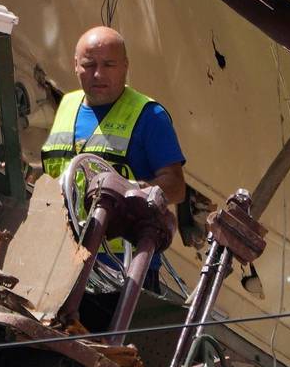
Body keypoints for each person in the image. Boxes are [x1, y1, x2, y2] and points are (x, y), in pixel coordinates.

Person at [41, 26, 186, 271]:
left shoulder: (150, 116)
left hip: (122, 268)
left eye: (109, 64)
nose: (98, 74)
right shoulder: (67, 104)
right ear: (75, 65)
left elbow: (177, 188)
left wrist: (133, 193)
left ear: (125, 66)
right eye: (89, 64)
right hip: (60, 259)